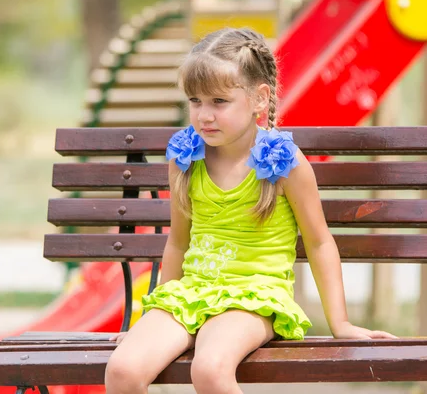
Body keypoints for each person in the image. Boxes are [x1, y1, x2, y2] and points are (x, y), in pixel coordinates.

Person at [105, 27, 396, 394]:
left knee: (209, 370)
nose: (204, 115)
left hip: (254, 297)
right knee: (122, 371)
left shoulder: (283, 163)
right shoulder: (185, 158)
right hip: (193, 291)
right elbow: (178, 244)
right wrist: (157, 314)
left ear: (259, 99)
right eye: (195, 101)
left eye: (218, 102)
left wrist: (340, 323)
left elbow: (320, 243)